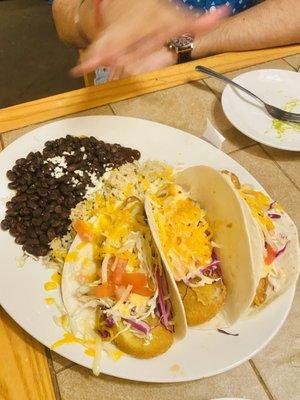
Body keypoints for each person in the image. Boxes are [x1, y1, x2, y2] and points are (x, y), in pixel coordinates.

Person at [52, 0, 300, 80]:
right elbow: (67, 16)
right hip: (132, 66)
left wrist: (183, 46)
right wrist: (104, 10)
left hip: (249, 52)